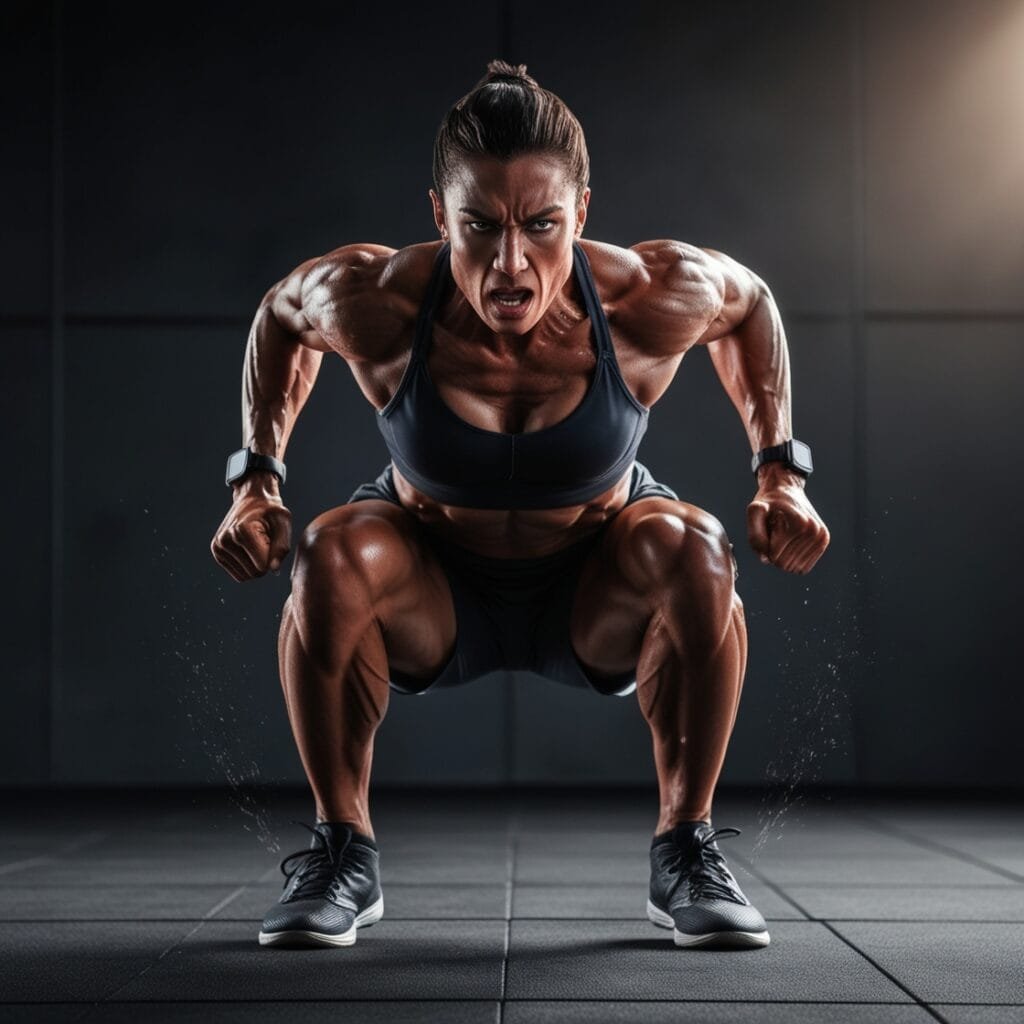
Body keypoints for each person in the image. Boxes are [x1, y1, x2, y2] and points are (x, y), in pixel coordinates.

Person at [211, 59, 830, 951]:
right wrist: (255, 484)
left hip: (594, 582)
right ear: (439, 216)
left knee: (697, 548)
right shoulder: (380, 301)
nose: (510, 262)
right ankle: (342, 850)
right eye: (480, 227)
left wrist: (780, 473)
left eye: (541, 225)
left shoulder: (645, 300)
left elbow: (751, 303)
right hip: (434, 582)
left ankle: (685, 847)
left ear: (581, 213)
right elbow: (281, 316)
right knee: (329, 553)